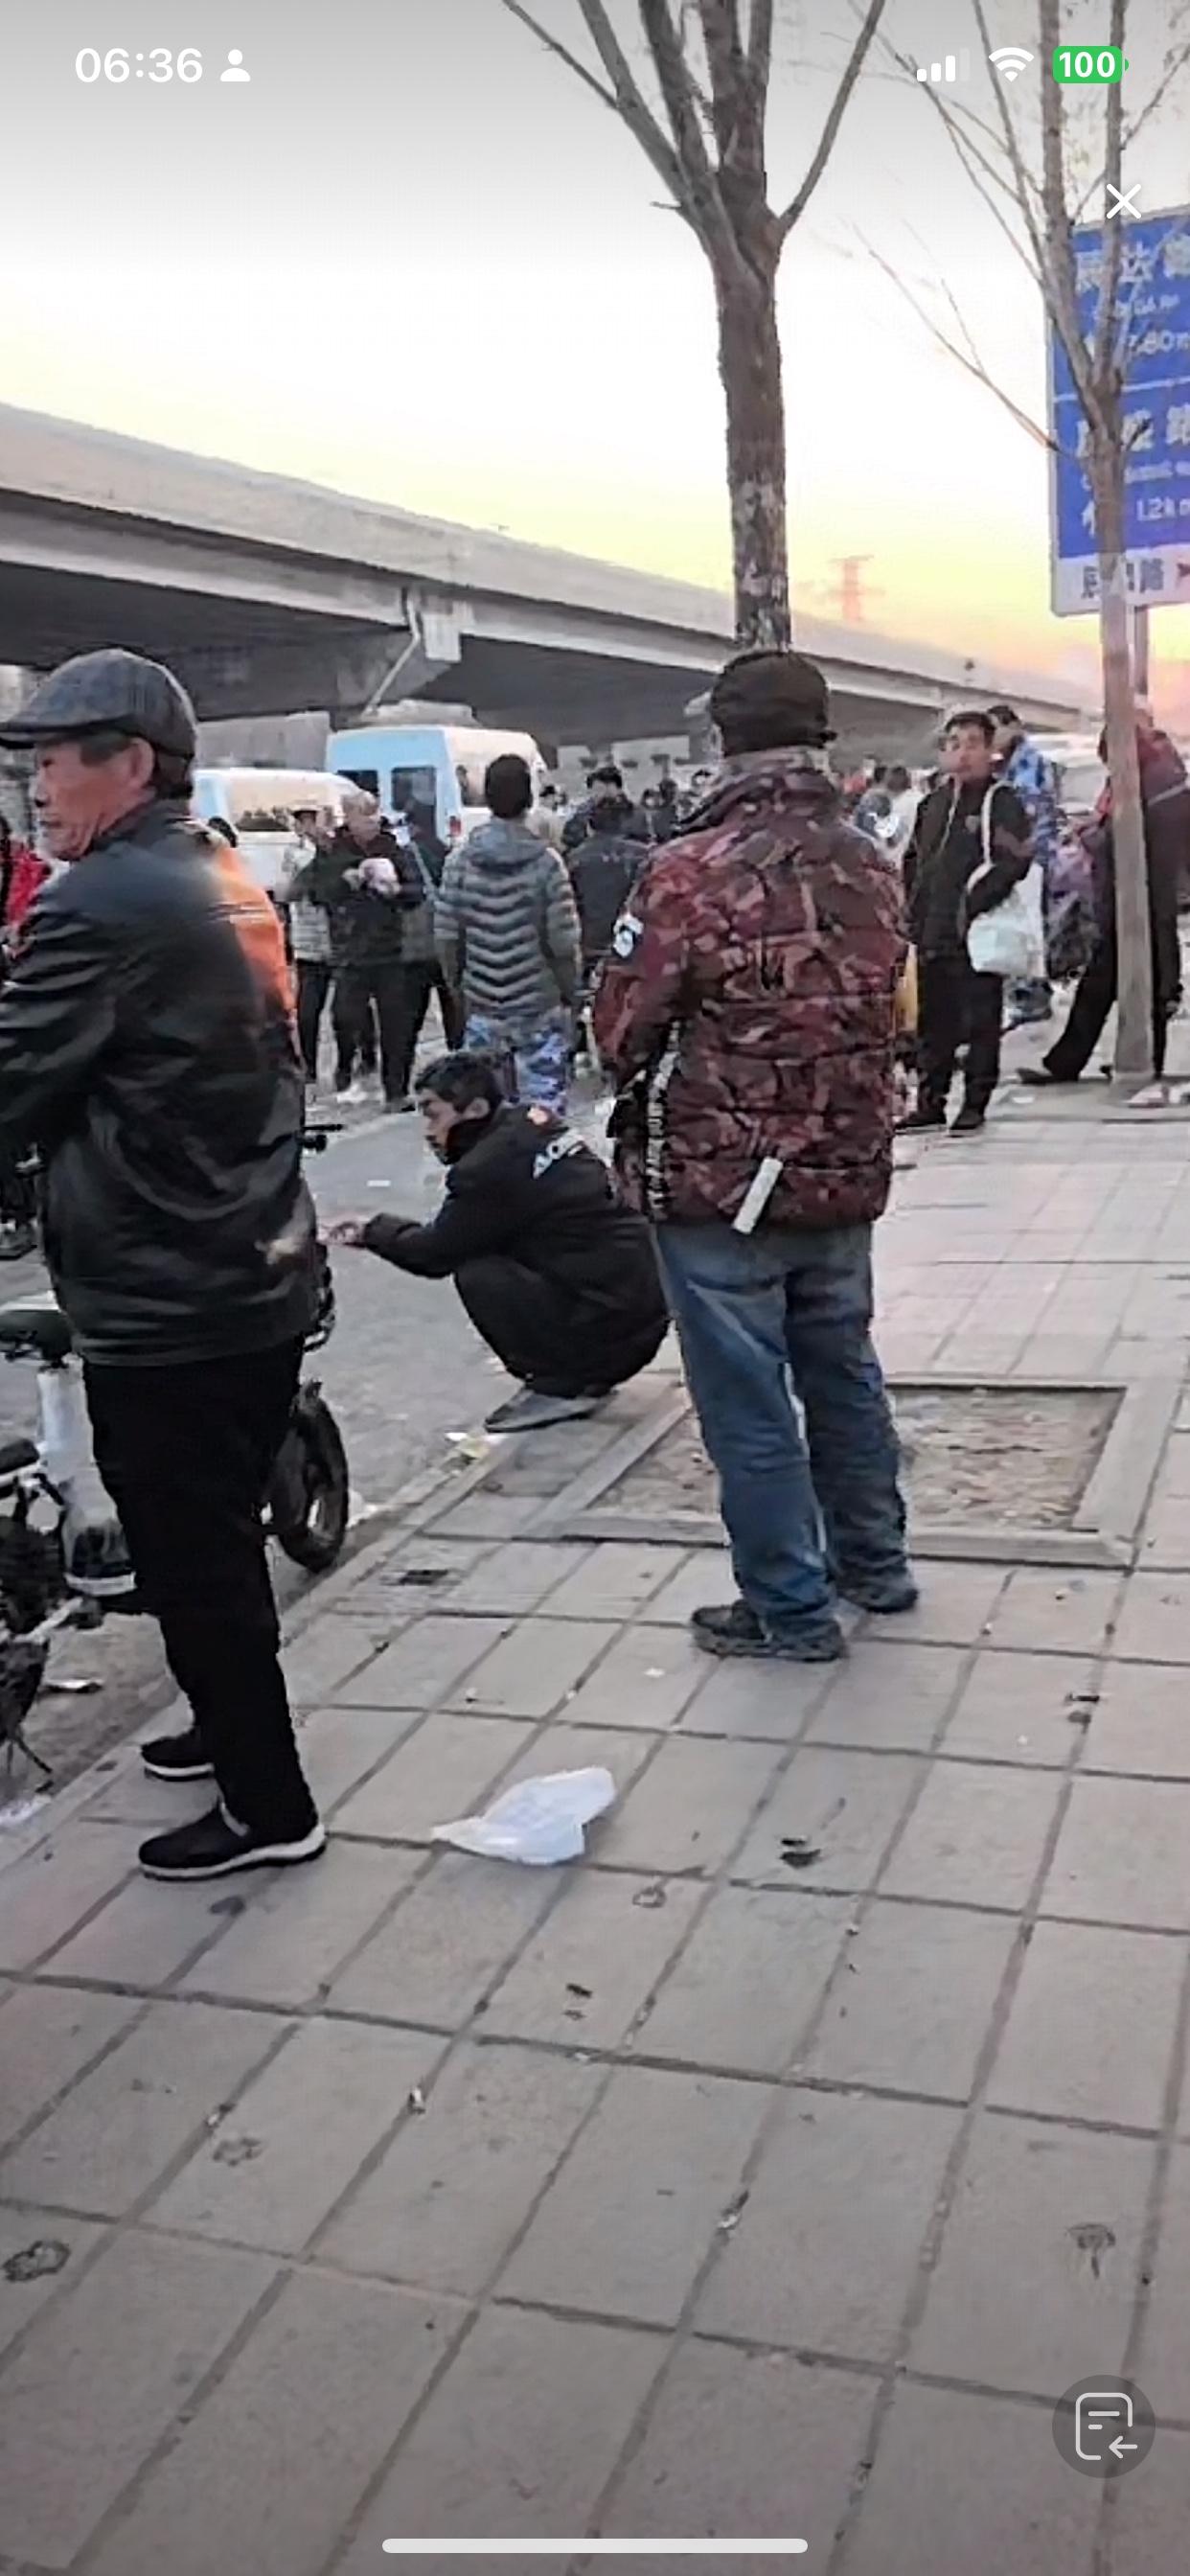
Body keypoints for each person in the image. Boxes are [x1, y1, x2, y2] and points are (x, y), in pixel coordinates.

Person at [0, 648, 323, 1882]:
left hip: (168, 1291)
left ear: (130, 763)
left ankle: (269, 1807)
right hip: (250, 1262)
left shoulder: (98, 904)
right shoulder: (218, 873)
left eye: (53, 762)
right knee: (216, 1542)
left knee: (193, 1557)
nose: (36, 788)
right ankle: (227, 1729)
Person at [593, 646, 914, 1664]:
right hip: (845, 1166)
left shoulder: (685, 871)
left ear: (724, 741)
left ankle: (790, 1608)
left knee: (749, 1403)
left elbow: (620, 1028)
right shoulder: (873, 861)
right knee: (845, 1372)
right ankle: (877, 1566)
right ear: (820, 738)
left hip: (718, 1182)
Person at [328, 1051, 669, 1433]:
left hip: (613, 1329)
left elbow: (434, 1253)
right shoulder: (533, 1122)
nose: (429, 1131)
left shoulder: (486, 1168)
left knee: (479, 1273)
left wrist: (371, 1231)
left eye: (434, 1115)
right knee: (493, 1246)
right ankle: (577, 1373)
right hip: (641, 1307)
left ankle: (565, 1383)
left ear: (474, 1110)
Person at [1021, 717, 1190, 1086]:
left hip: (1142, 904)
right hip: (1136, 902)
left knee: (1134, 986)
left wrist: (1092, 837)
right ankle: (1087, 1061)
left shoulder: (1153, 785)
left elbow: (1130, 842)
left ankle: (1124, 1061)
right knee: (1105, 985)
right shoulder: (1157, 778)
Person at [900, 710, 1033, 1134]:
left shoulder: (1001, 801)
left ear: (991, 750)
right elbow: (913, 863)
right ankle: (930, 1102)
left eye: (973, 744)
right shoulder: (932, 805)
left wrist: (970, 905)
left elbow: (1014, 860)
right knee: (932, 1022)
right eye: (954, 744)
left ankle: (975, 1103)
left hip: (976, 934)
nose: (963, 753)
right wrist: (911, 914)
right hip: (932, 933)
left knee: (980, 1021)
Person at [436, 752, 582, 1112]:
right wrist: (572, 996)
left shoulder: (459, 863)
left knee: (486, 1114)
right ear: (529, 798)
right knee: (543, 1114)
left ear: (487, 798)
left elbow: (447, 939)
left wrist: (459, 990)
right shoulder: (547, 864)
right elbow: (563, 944)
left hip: (483, 1007)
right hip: (539, 1007)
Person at [304, 790, 425, 1109]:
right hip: (350, 950)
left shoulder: (393, 848)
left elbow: (417, 891)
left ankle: (396, 1090)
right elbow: (317, 894)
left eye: (373, 814)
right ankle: (347, 1069)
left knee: (396, 1025)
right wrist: (347, 881)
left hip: (390, 949)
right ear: (349, 817)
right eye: (363, 815)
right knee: (345, 1017)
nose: (371, 821)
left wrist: (396, 891)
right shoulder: (334, 851)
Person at [989, 702, 1060, 1028]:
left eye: (996, 729)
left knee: (1029, 928)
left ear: (1013, 727)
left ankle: (1031, 997)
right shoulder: (1008, 763)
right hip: (1021, 857)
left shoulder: (1028, 763)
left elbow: (1026, 811)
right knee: (1024, 927)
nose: (993, 737)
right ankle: (1027, 994)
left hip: (1031, 857)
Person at [567, 772, 650, 983]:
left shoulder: (575, 858)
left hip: (590, 944)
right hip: (633, 943)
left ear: (590, 826)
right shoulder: (645, 856)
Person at [277, 805, 334, 1088]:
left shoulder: (339, 850)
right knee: (308, 1008)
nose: (309, 826)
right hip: (309, 942)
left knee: (350, 1011)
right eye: (304, 821)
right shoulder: (294, 854)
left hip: (340, 941)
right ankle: (308, 1066)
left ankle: (362, 1059)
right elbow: (287, 892)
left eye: (314, 820)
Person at [562, 762, 650, 857]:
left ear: (619, 789)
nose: (603, 794)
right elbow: (570, 840)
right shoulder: (583, 813)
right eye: (598, 789)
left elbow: (644, 841)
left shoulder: (635, 812)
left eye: (607, 789)